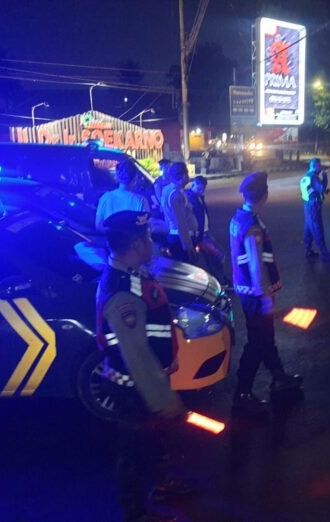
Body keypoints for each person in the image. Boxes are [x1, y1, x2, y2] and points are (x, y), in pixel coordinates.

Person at [95, 210, 193, 522]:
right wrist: (164, 400)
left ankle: (162, 484)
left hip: (143, 385)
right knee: (133, 453)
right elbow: (136, 355)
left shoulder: (132, 275)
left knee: (154, 441)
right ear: (136, 244)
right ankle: (136, 514)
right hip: (134, 389)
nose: (153, 242)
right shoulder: (123, 291)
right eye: (148, 237)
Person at [229, 172, 303, 414]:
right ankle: (242, 392)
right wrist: (265, 297)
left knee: (265, 337)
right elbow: (256, 264)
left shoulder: (240, 217)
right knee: (257, 342)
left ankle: (279, 377)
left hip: (247, 290)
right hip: (255, 293)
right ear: (265, 195)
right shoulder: (252, 226)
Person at [185, 175, 230, 287]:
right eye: (199, 188)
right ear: (193, 185)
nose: (201, 190)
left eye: (203, 188)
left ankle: (220, 280)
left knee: (212, 258)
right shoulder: (190, 198)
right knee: (218, 255)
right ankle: (221, 280)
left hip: (204, 233)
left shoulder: (197, 197)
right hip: (200, 235)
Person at [95, 161, 149, 232]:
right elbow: (145, 227)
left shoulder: (105, 198)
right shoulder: (141, 200)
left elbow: (98, 226)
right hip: (133, 239)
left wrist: (114, 232)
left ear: (117, 177)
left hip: (112, 239)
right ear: (135, 178)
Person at [300, 158, 330, 261]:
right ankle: (324, 253)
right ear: (315, 166)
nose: (320, 168)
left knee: (308, 228)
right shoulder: (313, 177)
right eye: (319, 166)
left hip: (307, 205)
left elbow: (311, 190)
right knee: (317, 228)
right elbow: (321, 188)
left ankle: (308, 250)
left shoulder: (306, 176)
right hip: (313, 206)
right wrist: (324, 176)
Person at [161, 162, 198, 264]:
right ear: (183, 176)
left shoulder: (166, 190)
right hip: (181, 239)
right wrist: (188, 246)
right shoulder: (177, 195)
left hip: (174, 235)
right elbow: (181, 223)